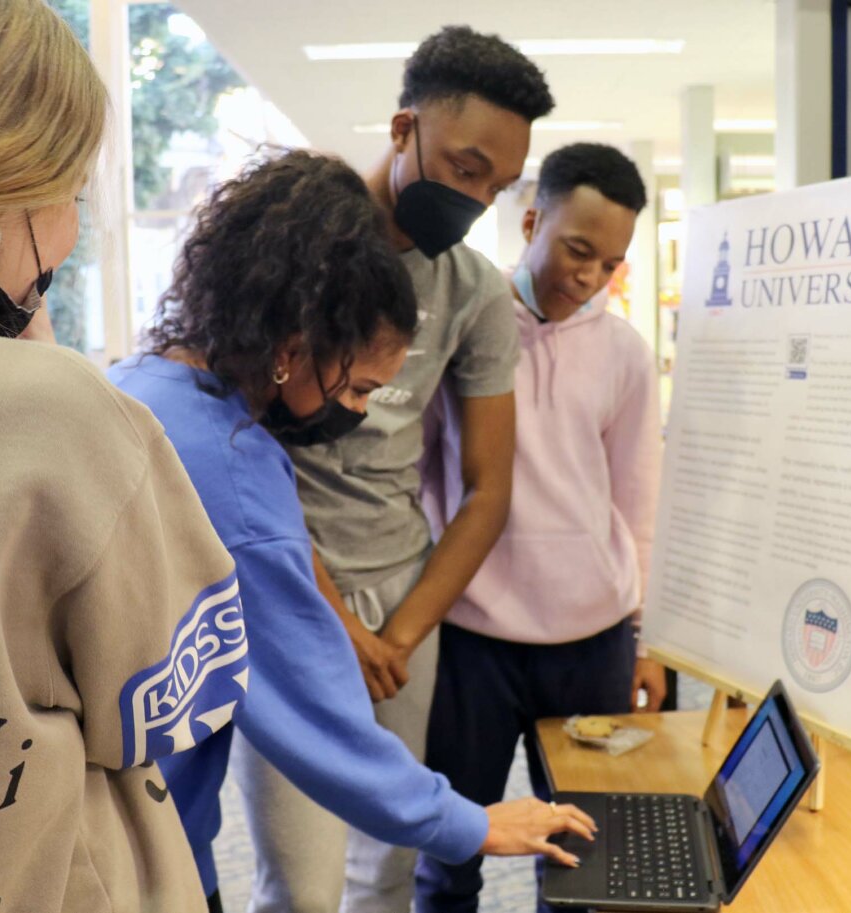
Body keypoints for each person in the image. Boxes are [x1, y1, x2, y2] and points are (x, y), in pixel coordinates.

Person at [107, 149, 595, 913]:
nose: (362, 412)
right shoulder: (237, 473)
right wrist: (470, 821)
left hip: (111, 810)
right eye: (361, 386)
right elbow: (317, 713)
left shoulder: (134, 383)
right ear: (295, 346)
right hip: (144, 850)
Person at [231, 26, 557, 913]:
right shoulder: (289, 250)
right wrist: (333, 616)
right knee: (297, 878)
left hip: (403, 609)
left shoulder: (476, 292)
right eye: (464, 167)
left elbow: (491, 488)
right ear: (403, 127)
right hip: (283, 592)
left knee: (392, 861)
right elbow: (238, 456)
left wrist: (402, 633)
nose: (476, 198)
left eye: (494, 184)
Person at [0, 1, 248, 910]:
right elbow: (172, 696)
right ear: (1, 192)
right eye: (71, 194)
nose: (73, 230)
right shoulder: (58, 411)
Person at [414, 143, 665, 913]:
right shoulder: (465, 327)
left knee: (584, 861)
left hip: (591, 646)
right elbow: (419, 471)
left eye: (610, 263)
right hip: (471, 642)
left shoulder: (624, 354)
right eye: (577, 249)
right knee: (451, 852)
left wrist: (643, 638)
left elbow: (638, 502)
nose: (588, 276)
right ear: (531, 220)